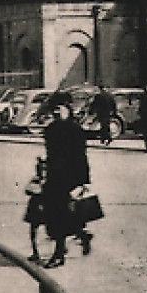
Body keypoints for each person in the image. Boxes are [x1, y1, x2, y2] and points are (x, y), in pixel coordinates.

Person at [41, 92, 93, 267]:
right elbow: (50, 155)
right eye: (54, 109)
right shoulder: (50, 130)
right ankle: (82, 236)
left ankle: (59, 254)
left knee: (62, 215)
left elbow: (81, 156)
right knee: (56, 215)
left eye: (60, 108)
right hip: (54, 178)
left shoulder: (75, 130)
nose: (56, 112)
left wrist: (83, 182)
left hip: (70, 178)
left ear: (68, 109)